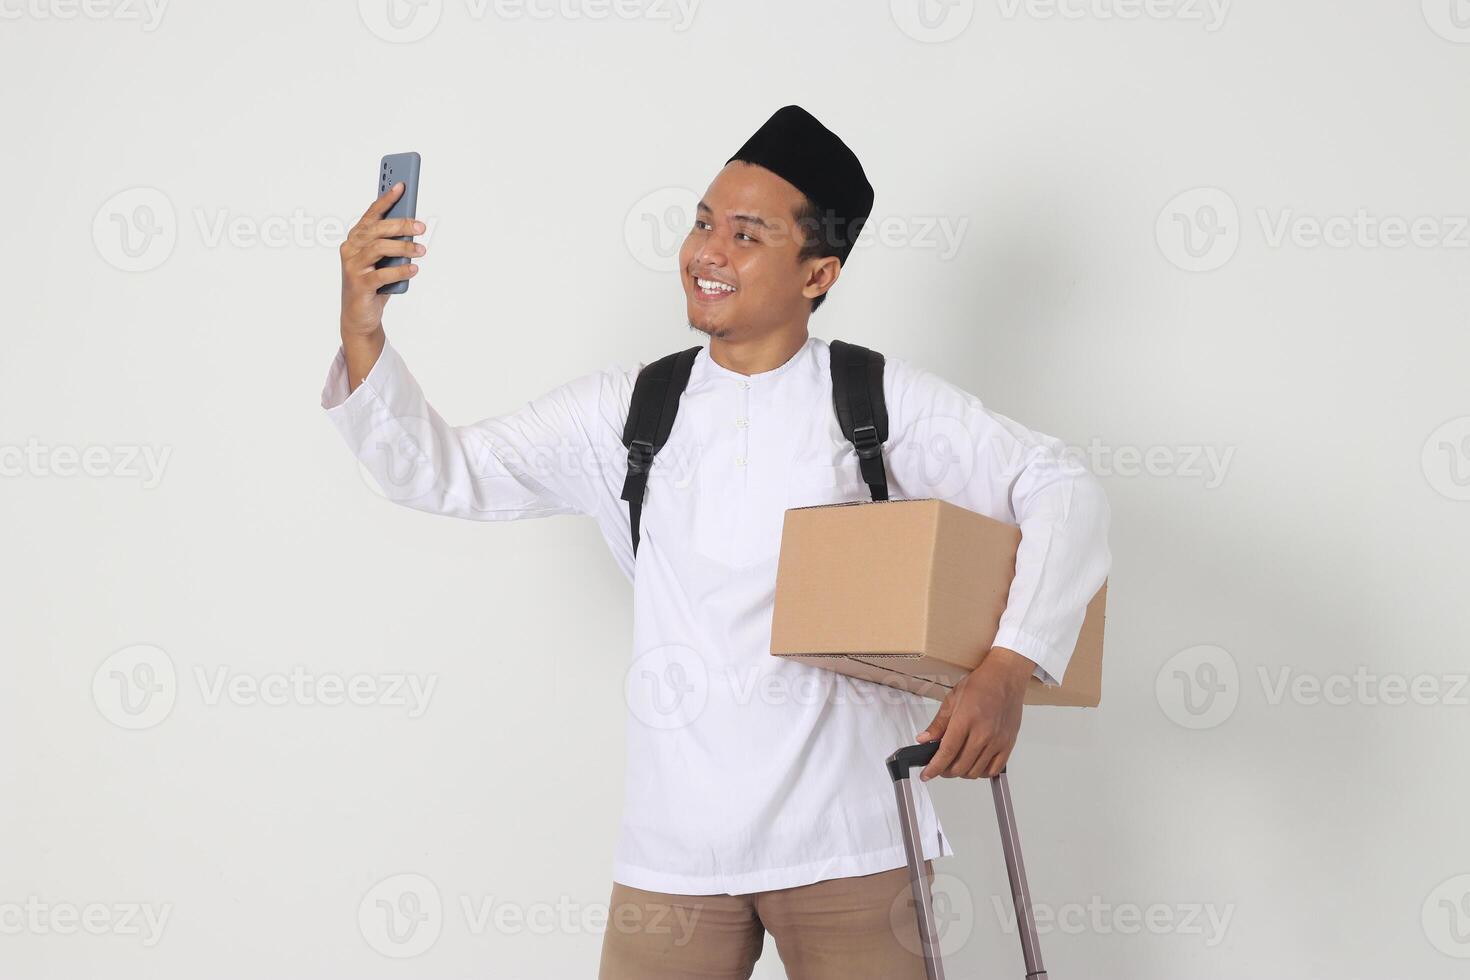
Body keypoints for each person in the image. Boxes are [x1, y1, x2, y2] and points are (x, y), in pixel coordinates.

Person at [321, 105, 1111, 980]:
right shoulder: (629, 412)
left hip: (851, 843)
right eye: (702, 222)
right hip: (674, 859)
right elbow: (439, 472)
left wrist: (1010, 665)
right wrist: (364, 328)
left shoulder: (876, 400)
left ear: (819, 273)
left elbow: (1060, 485)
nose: (708, 251)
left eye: (746, 234)